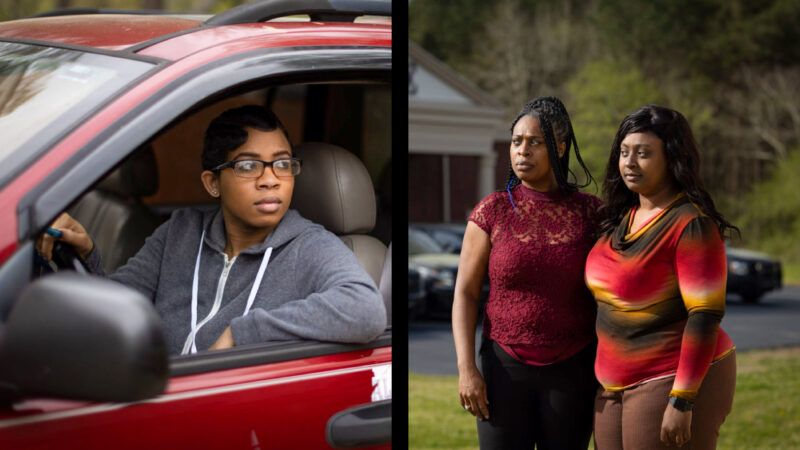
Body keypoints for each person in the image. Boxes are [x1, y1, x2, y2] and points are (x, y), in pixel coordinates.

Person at [36, 105, 386, 355]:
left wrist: (242, 331)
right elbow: (120, 307)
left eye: (282, 164)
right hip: (156, 398)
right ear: (212, 183)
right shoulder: (181, 232)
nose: (270, 180)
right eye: (249, 166)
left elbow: (365, 311)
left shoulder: (311, 246)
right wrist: (86, 256)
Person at [585, 105, 737, 449]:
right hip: (611, 383)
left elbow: (706, 314)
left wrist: (682, 399)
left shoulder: (690, 223)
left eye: (643, 153)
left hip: (669, 376)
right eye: (624, 153)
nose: (630, 163)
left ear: (671, 158)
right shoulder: (621, 219)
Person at [452, 96, 600, 449]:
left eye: (535, 142)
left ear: (559, 148)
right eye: (517, 141)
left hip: (573, 369)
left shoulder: (591, 214)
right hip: (503, 369)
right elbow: (465, 294)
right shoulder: (492, 211)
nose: (522, 151)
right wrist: (466, 368)